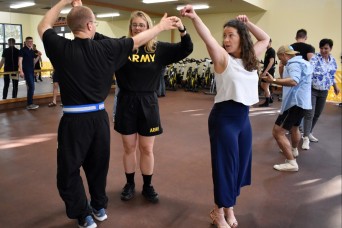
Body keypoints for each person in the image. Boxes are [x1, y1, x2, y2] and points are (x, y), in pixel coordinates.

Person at [37, 0, 179, 227]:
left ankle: (83, 214)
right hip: (99, 119)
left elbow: (44, 25)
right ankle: (98, 206)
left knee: (69, 171)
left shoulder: (59, 47)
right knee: (97, 166)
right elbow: (137, 41)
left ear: (71, 26)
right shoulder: (108, 49)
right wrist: (160, 27)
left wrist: (63, 2)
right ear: (91, 26)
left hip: (74, 121)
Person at [181, 5, 269, 228]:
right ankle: (219, 213)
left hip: (243, 121)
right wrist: (195, 17)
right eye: (225, 36)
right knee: (224, 167)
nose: (226, 40)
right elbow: (207, 37)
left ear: (242, 38)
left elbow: (265, 38)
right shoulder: (223, 59)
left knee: (238, 167)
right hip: (224, 120)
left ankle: (229, 208)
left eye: (231, 35)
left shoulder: (249, 60)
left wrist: (247, 23)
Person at [114, 10, 193, 204]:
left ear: (149, 27)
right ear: (130, 27)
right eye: (135, 25)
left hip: (148, 102)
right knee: (128, 147)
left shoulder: (158, 49)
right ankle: (130, 184)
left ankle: (147, 186)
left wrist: (182, 28)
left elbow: (186, 49)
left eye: (142, 25)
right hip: (126, 101)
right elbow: (97, 40)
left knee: (147, 148)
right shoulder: (123, 46)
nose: (138, 28)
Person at [262, 45, 313, 172]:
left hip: (294, 103)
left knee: (277, 132)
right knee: (295, 128)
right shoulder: (303, 62)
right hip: (303, 103)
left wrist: (273, 80)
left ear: (285, 55)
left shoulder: (293, 63)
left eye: (280, 58)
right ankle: (294, 150)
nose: (281, 61)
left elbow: (294, 81)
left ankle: (291, 163)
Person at [302, 39, 339, 150]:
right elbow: (308, 72)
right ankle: (305, 138)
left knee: (317, 114)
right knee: (310, 114)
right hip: (312, 90)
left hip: (324, 91)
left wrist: (335, 86)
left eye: (326, 48)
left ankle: (309, 133)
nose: (323, 50)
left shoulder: (333, 61)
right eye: (321, 48)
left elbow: (332, 75)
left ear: (330, 48)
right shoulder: (315, 59)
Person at [18, 36, 41, 110]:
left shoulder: (31, 51)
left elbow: (33, 62)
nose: (30, 43)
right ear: (26, 42)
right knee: (31, 87)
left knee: (31, 87)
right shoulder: (22, 50)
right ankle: (29, 104)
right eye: (29, 41)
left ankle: (30, 103)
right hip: (26, 71)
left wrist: (39, 56)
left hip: (31, 71)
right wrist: (21, 71)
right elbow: (20, 61)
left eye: (31, 41)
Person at [259, 38, 276, 107]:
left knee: (265, 85)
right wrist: (263, 70)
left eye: (267, 42)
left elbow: (271, 62)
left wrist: (265, 71)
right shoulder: (268, 51)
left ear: (270, 42)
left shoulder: (271, 51)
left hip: (269, 71)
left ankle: (267, 101)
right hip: (267, 70)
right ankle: (270, 98)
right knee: (264, 85)